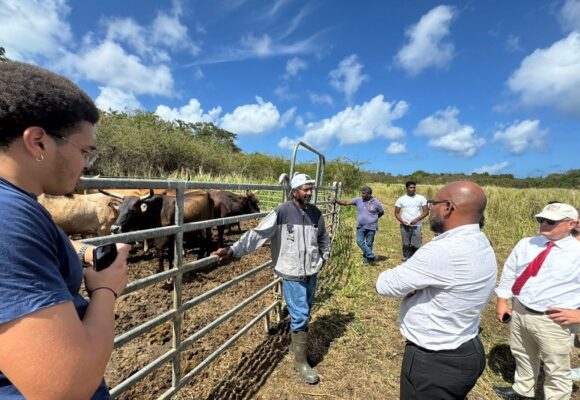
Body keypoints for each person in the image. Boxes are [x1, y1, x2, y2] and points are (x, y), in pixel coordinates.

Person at [0, 61, 130, 399]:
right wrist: (106, 289)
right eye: (84, 151)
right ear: (38, 143)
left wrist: (80, 252)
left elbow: (27, 261)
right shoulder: (8, 217)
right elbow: (67, 387)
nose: (86, 165)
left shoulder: (20, 206)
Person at [376, 181, 497, 399]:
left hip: (434, 361)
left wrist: (414, 284)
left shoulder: (442, 250)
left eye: (433, 203)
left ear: (448, 207)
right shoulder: (481, 240)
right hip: (468, 346)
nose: (429, 208)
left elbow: (385, 284)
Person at [212, 173, 330, 384]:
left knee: (306, 308)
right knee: (301, 313)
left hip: (312, 270)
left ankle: (297, 347)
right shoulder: (282, 212)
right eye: (305, 189)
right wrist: (233, 250)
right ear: (294, 191)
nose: (309, 192)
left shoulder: (315, 213)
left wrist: (323, 258)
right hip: (292, 272)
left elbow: (323, 238)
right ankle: (301, 363)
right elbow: (258, 234)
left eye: (310, 188)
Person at [493, 202, 580, 400]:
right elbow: (509, 271)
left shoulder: (577, 252)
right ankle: (523, 390)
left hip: (554, 319)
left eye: (551, 221)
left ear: (571, 224)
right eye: (541, 219)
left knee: (556, 366)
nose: (544, 224)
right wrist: (502, 301)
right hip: (521, 309)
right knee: (521, 353)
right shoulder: (526, 244)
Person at [334, 186, 384, 263]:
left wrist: (373, 219)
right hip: (360, 226)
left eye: (364, 193)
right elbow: (347, 203)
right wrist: (337, 201)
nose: (362, 195)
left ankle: (367, 260)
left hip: (372, 227)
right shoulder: (358, 200)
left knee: (369, 243)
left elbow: (381, 212)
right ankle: (371, 255)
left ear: (369, 194)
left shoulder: (376, 203)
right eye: (362, 193)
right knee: (359, 241)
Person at [394, 181, 429, 261]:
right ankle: (406, 258)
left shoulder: (421, 198)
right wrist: (402, 221)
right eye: (411, 187)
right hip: (404, 225)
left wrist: (416, 219)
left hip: (417, 225)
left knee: (416, 244)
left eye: (414, 187)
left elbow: (426, 212)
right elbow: (396, 213)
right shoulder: (401, 199)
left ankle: (414, 260)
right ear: (406, 188)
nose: (413, 189)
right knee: (406, 243)